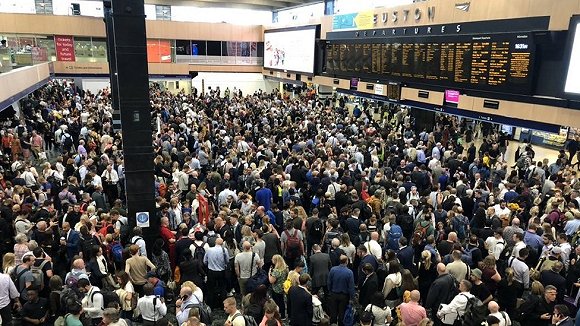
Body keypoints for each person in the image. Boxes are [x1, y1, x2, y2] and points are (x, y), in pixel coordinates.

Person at [327, 255, 355, 326]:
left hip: (333, 294)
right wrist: (352, 298)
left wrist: (330, 291)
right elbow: (351, 287)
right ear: (347, 261)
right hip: (344, 296)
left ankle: (332, 323)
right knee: (342, 312)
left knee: (333, 311)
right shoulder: (349, 272)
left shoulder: (333, 269)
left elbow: (329, 282)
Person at [204, 237, 229, 309]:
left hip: (211, 272)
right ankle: (223, 305)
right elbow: (227, 261)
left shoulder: (209, 250)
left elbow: (205, 261)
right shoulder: (224, 250)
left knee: (211, 289)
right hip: (221, 272)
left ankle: (211, 305)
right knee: (222, 288)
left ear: (215, 242)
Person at [268, 254, 289, 320]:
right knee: (282, 301)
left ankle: (279, 315)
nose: (271, 260)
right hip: (283, 287)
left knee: (277, 302)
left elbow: (271, 281)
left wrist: (269, 274)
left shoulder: (276, 271)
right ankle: (283, 315)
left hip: (276, 289)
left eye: (273, 259)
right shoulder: (285, 267)